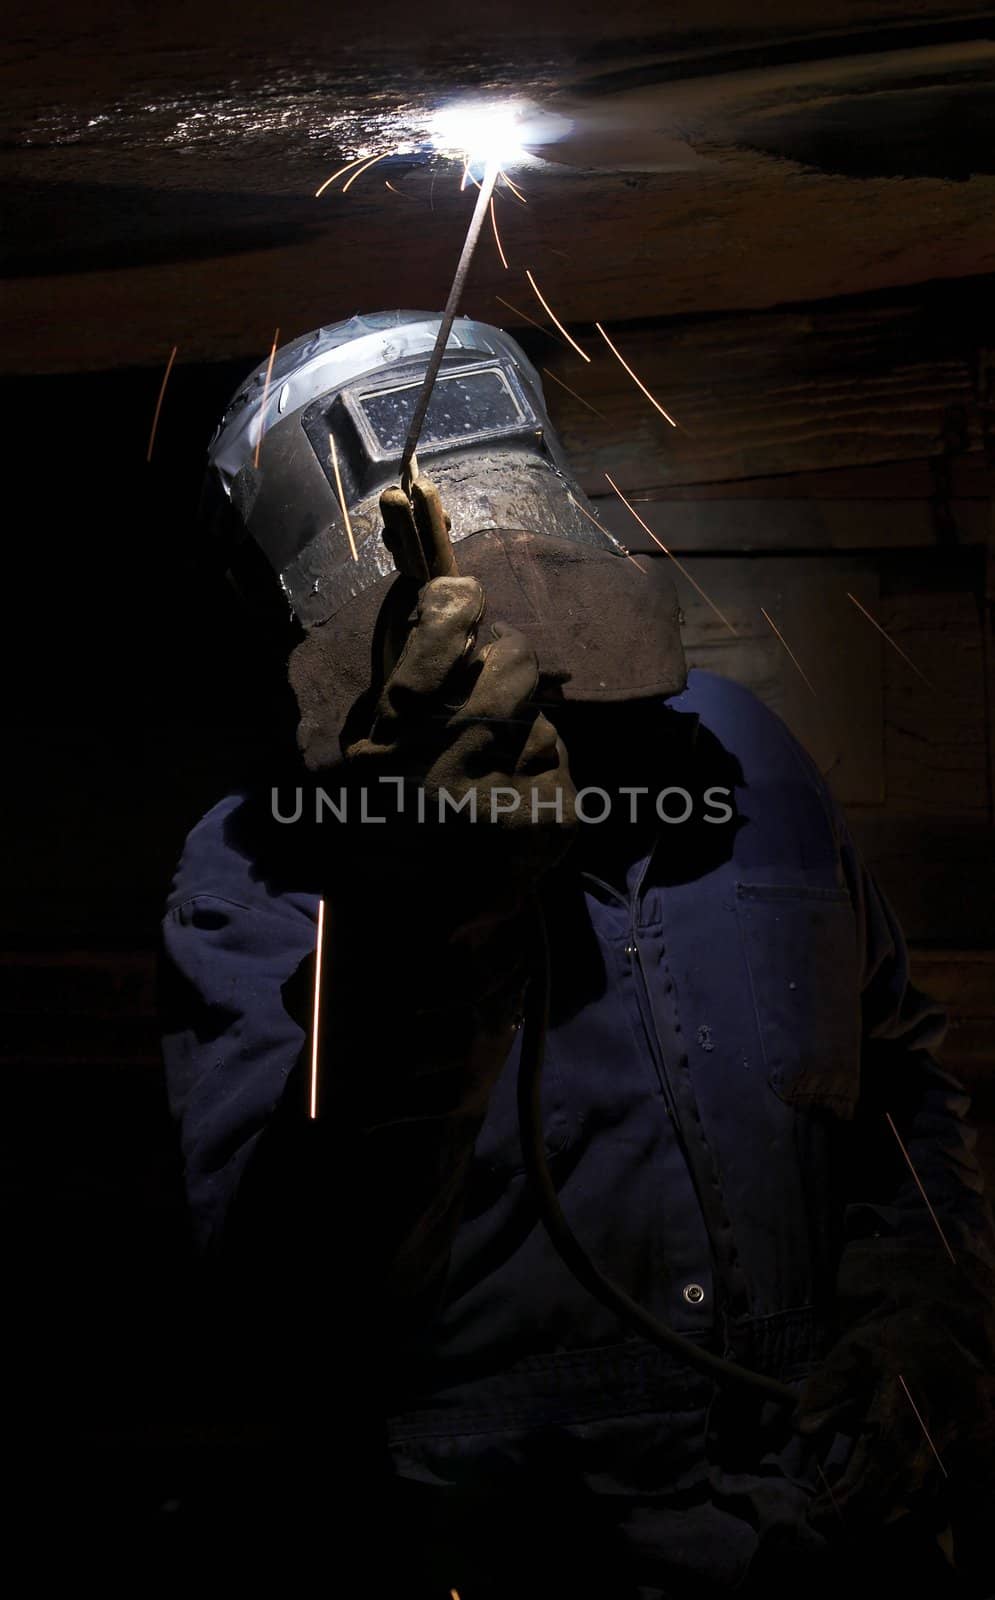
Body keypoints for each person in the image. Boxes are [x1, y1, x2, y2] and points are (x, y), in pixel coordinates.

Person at [160, 316, 995, 1596]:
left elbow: (897, 1083)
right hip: (509, 1537)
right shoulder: (268, 863)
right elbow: (291, 1299)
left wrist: (926, 1307)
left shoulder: (740, 754)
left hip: (821, 1526)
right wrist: (430, 922)